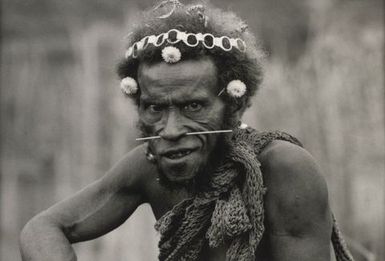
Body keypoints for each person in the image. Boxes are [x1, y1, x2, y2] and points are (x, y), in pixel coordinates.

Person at [19, 1, 354, 260]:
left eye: (193, 106)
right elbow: (43, 228)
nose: (171, 129)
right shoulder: (148, 165)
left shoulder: (284, 170)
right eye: (155, 108)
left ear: (232, 106)